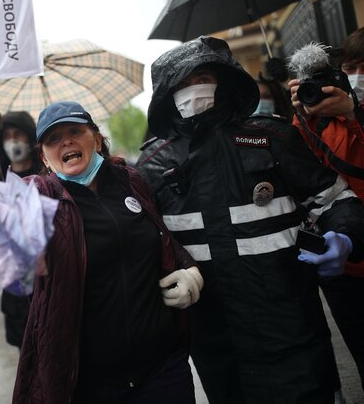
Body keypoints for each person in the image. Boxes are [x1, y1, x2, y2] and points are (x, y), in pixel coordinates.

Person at [0, 63, 204, 404]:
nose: (66, 141)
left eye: (75, 130)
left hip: (163, 371)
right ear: (43, 155)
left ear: (97, 139)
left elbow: (161, 238)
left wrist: (188, 270)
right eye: (53, 138)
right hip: (88, 384)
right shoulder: (39, 197)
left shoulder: (133, 182)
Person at [135, 36, 364, 403]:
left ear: (224, 80)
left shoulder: (271, 137)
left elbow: (335, 199)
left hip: (292, 330)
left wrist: (345, 236)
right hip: (216, 342)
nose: (194, 90)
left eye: (202, 78)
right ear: (166, 93)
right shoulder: (152, 166)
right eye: (182, 84)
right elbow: (142, 246)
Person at [288, 27, 364, 390]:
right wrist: (304, 116)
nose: (356, 75)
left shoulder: (352, 110)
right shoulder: (315, 119)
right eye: (350, 67)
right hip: (347, 266)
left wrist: (356, 111)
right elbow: (306, 176)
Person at [0, 111, 41, 349]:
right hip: (15, 287)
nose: (13, 141)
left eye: (19, 135)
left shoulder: (47, 175)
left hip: (47, 279)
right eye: (7, 136)